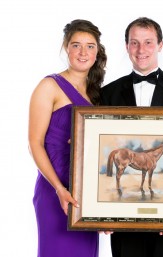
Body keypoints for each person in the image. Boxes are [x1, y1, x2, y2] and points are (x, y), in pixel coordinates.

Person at [100, 17, 163, 257]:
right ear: (126, 46)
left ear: (161, 45)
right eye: (134, 43)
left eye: (148, 42)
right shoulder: (108, 92)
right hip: (122, 218)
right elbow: (100, 146)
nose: (141, 50)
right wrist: (101, 209)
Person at [28, 19, 107, 257]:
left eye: (90, 46)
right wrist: (60, 189)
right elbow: (35, 143)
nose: (83, 52)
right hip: (55, 191)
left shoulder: (97, 94)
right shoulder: (49, 86)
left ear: (97, 51)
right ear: (66, 47)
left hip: (85, 194)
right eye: (76, 45)